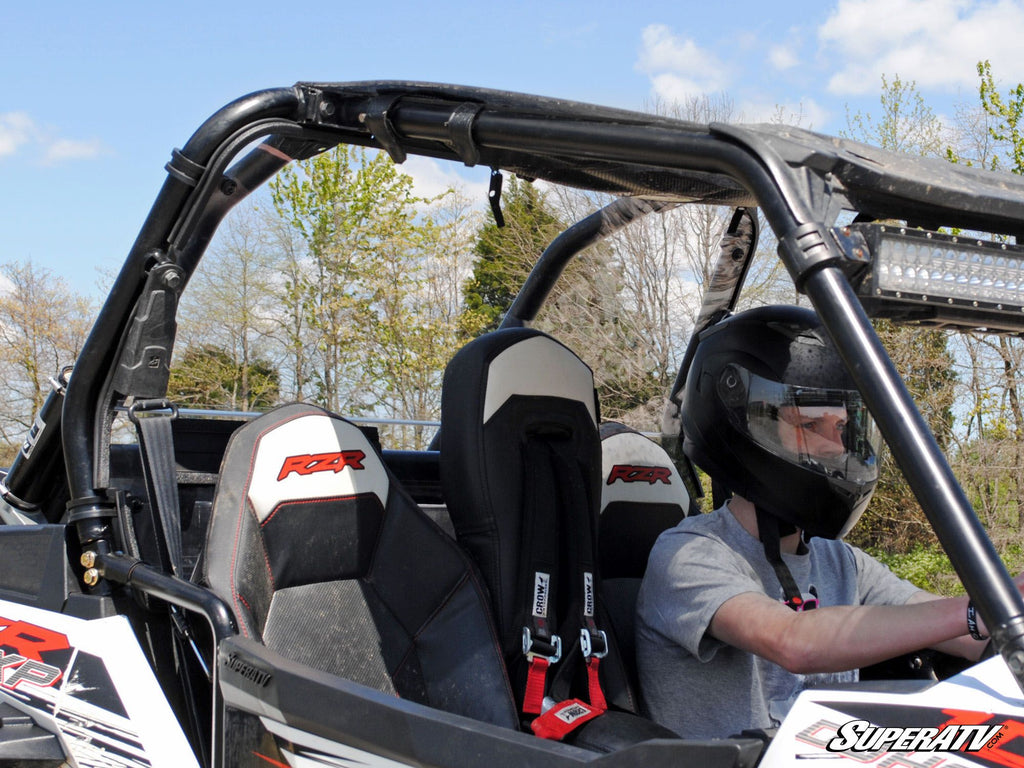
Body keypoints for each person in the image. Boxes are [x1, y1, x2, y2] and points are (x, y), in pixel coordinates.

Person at [635, 305, 1012, 740]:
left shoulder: (842, 563)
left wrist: (1003, 613)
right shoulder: (689, 554)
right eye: (811, 424)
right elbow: (794, 641)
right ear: (743, 424)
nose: (836, 448)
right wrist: (978, 610)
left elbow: (966, 635)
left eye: (842, 427)